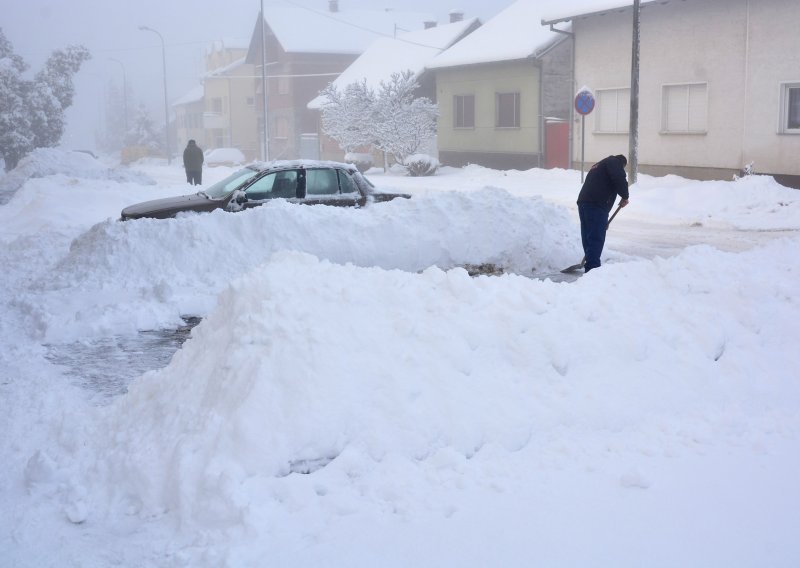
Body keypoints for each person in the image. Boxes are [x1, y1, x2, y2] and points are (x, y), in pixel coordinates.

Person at [576, 154, 630, 272]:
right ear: (622, 164)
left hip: (583, 202)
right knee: (596, 237)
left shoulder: (599, 164)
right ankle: (592, 269)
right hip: (597, 204)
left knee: (588, 236)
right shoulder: (614, 162)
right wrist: (625, 196)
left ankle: (590, 264)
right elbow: (619, 177)